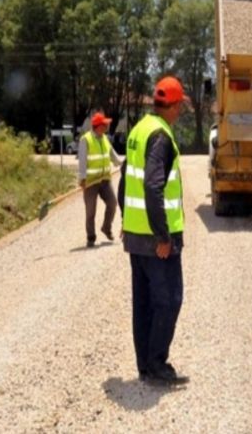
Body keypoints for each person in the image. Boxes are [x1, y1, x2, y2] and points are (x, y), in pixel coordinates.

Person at [118, 76, 190, 386]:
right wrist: (162, 236)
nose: (180, 112)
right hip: (156, 238)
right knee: (169, 299)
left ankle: (145, 365)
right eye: (180, 106)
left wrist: (125, 220)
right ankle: (157, 363)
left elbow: (124, 180)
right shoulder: (160, 136)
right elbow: (152, 185)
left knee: (144, 302)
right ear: (173, 106)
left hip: (135, 234)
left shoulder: (138, 130)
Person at [78, 111, 121, 248]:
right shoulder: (86, 140)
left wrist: (122, 163)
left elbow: (113, 154)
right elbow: (82, 161)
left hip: (104, 180)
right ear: (98, 126)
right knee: (91, 211)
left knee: (113, 203)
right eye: (105, 124)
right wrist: (83, 178)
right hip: (91, 182)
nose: (107, 126)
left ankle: (106, 228)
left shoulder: (104, 138)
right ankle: (91, 237)